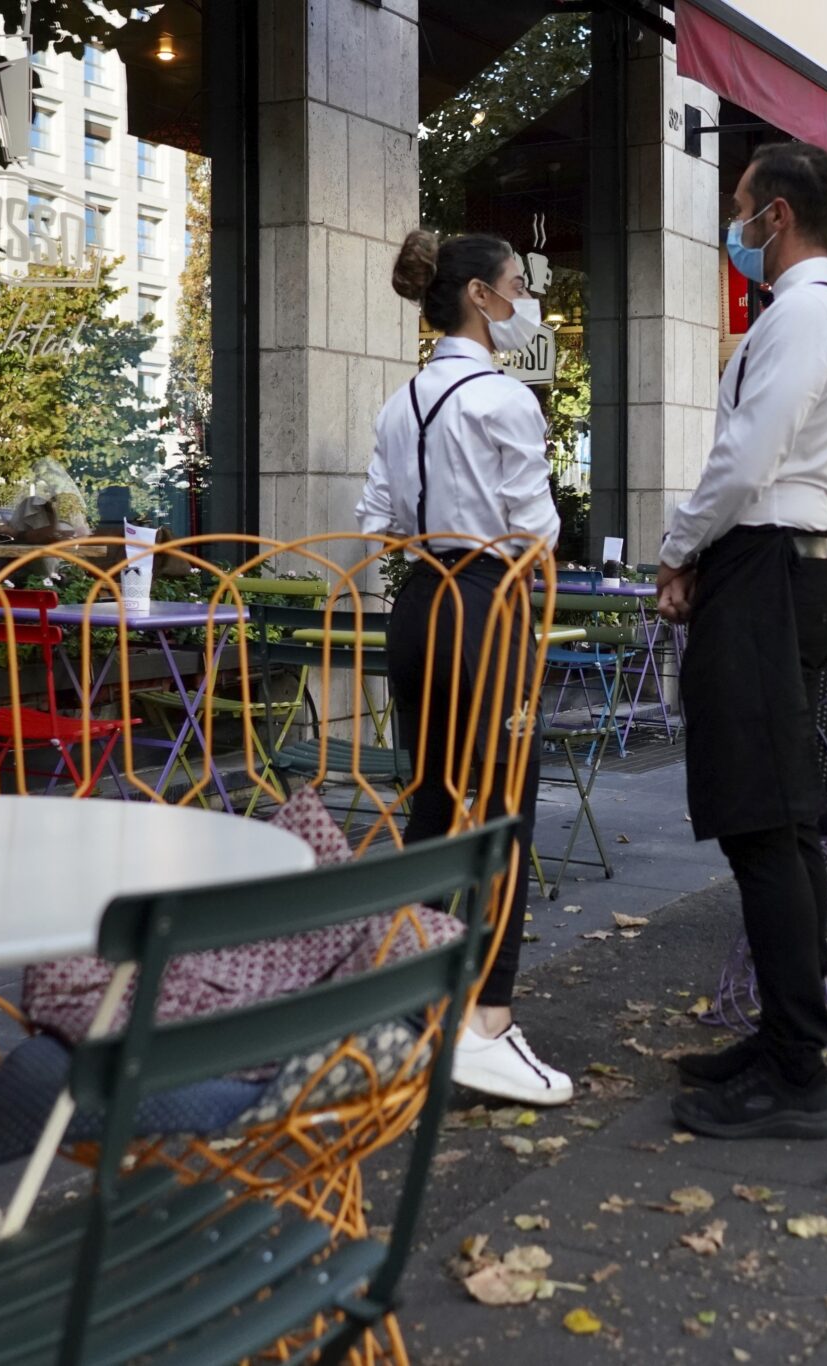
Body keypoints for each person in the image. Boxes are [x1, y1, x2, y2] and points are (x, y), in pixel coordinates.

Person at [656, 141, 827, 1141]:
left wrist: (675, 547)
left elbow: (744, 459)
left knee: (761, 824)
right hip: (794, 567)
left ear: (775, 216)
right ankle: (792, 1038)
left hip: (764, 568)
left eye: (741, 210)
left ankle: (795, 1069)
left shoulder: (798, 315)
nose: (734, 228)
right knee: (781, 824)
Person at [355, 228, 573, 1107]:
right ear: (480, 295)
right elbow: (539, 530)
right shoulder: (504, 399)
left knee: (437, 802)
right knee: (503, 808)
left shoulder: (402, 398)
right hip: (488, 601)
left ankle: (425, 1008)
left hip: (419, 604)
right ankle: (486, 1019)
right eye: (518, 284)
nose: (527, 299)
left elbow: (373, 516)